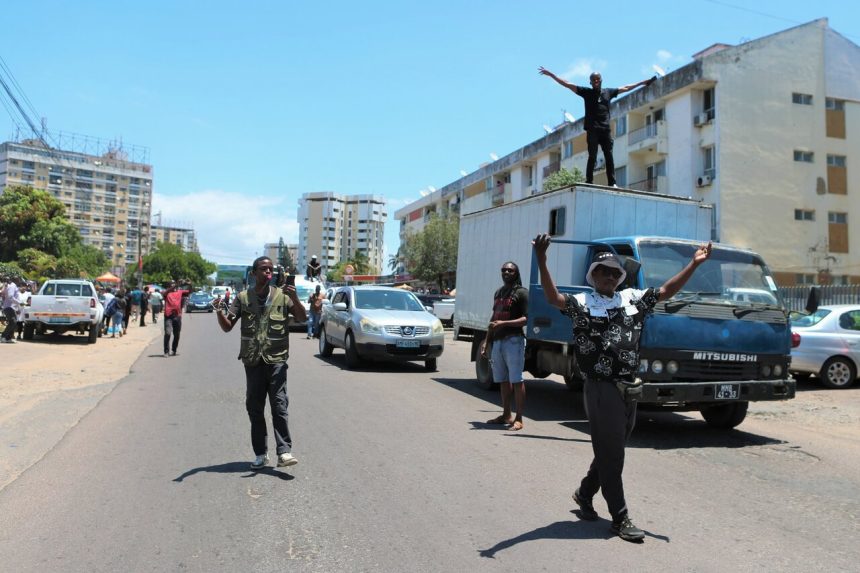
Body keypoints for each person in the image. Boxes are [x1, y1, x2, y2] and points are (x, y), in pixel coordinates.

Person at [532, 233, 712, 542]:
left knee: (611, 448)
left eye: (616, 272)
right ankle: (620, 517)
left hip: (630, 387)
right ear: (593, 275)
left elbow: (667, 290)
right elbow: (553, 298)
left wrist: (693, 264)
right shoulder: (582, 303)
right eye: (604, 271)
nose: (610, 276)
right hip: (601, 388)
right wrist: (542, 260)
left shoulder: (632, 299)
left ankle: (585, 492)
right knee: (613, 454)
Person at [215, 256, 307, 470]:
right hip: (253, 361)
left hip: (277, 360)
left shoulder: (284, 296)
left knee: (279, 405)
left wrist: (297, 299)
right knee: (255, 408)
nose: (268, 273)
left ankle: (284, 452)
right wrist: (219, 310)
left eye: (270, 269)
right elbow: (227, 326)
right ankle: (260, 454)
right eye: (264, 269)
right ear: (254, 273)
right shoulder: (243, 297)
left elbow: (302, 318)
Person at [538, 67, 655, 187]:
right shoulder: (586, 92)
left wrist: (642, 83)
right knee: (592, 156)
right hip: (592, 129)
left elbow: (626, 88)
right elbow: (567, 84)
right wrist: (551, 75)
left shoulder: (608, 92)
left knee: (608, 156)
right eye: (593, 80)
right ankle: (589, 181)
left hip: (605, 130)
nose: (595, 82)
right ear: (590, 82)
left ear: (601, 80)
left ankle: (612, 183)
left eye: (597, 79)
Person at [482, 262, 529, 431]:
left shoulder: (522, 293)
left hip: (514, 341)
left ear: (516, 273)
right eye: (503, 270)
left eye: (510, 270)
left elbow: (526, 319)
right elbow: (493, 319)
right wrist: (487, 342)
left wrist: (504, 323)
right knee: (502, 380)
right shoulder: (499, 292)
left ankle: (519, 418)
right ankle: (506, 414)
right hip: (498, 341)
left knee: (516, 380)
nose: (506, 272)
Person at [162, 279, 193, 356]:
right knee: (168, 333)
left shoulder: (180, 292)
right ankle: (166, 351)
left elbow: (189, 291)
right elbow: (168, 291)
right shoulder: (166, 293)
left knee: (177, 334)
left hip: (177, 316)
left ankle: (174, 350)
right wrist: (177, 284)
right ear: (169, 285)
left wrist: (190, 284)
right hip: (168, 316)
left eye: (173, 284)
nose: (172, 285)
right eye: (171, 284)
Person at [1, 276, 21, 343]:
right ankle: (3, 337)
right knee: (13, 322)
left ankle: (8, 338)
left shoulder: (11, 285)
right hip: (9, 307)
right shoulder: (12, 286)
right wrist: (19, 303)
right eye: (18, 279)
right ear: (15, 280)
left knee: (13, 322)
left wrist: (18, 307)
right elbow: (10, 297)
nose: (19, 281)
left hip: (11, 307)